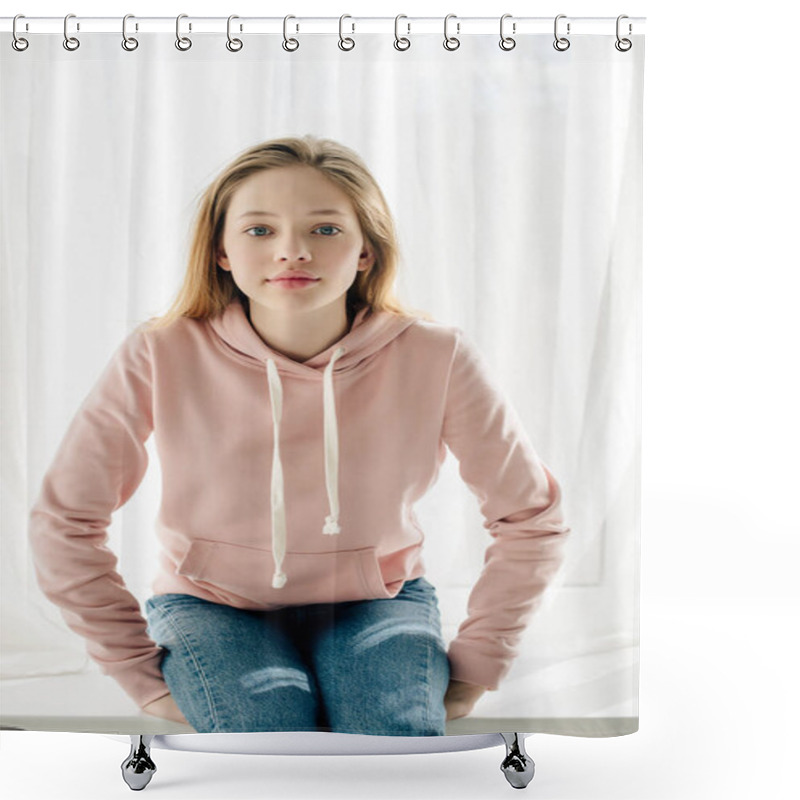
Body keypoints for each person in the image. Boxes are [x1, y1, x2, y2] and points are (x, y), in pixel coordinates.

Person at [28, 135, 570, 736]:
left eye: (326, 230)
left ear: (366, 251)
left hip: (377, 603)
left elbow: (531, 516)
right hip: (212, 605)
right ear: (222, 253)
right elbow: (66, 518)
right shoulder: (160, 352)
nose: (292, 252)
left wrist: (479, 662)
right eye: (260, 230)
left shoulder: (437, 356)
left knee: (389, 737)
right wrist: (133, 668)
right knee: (266, 738)